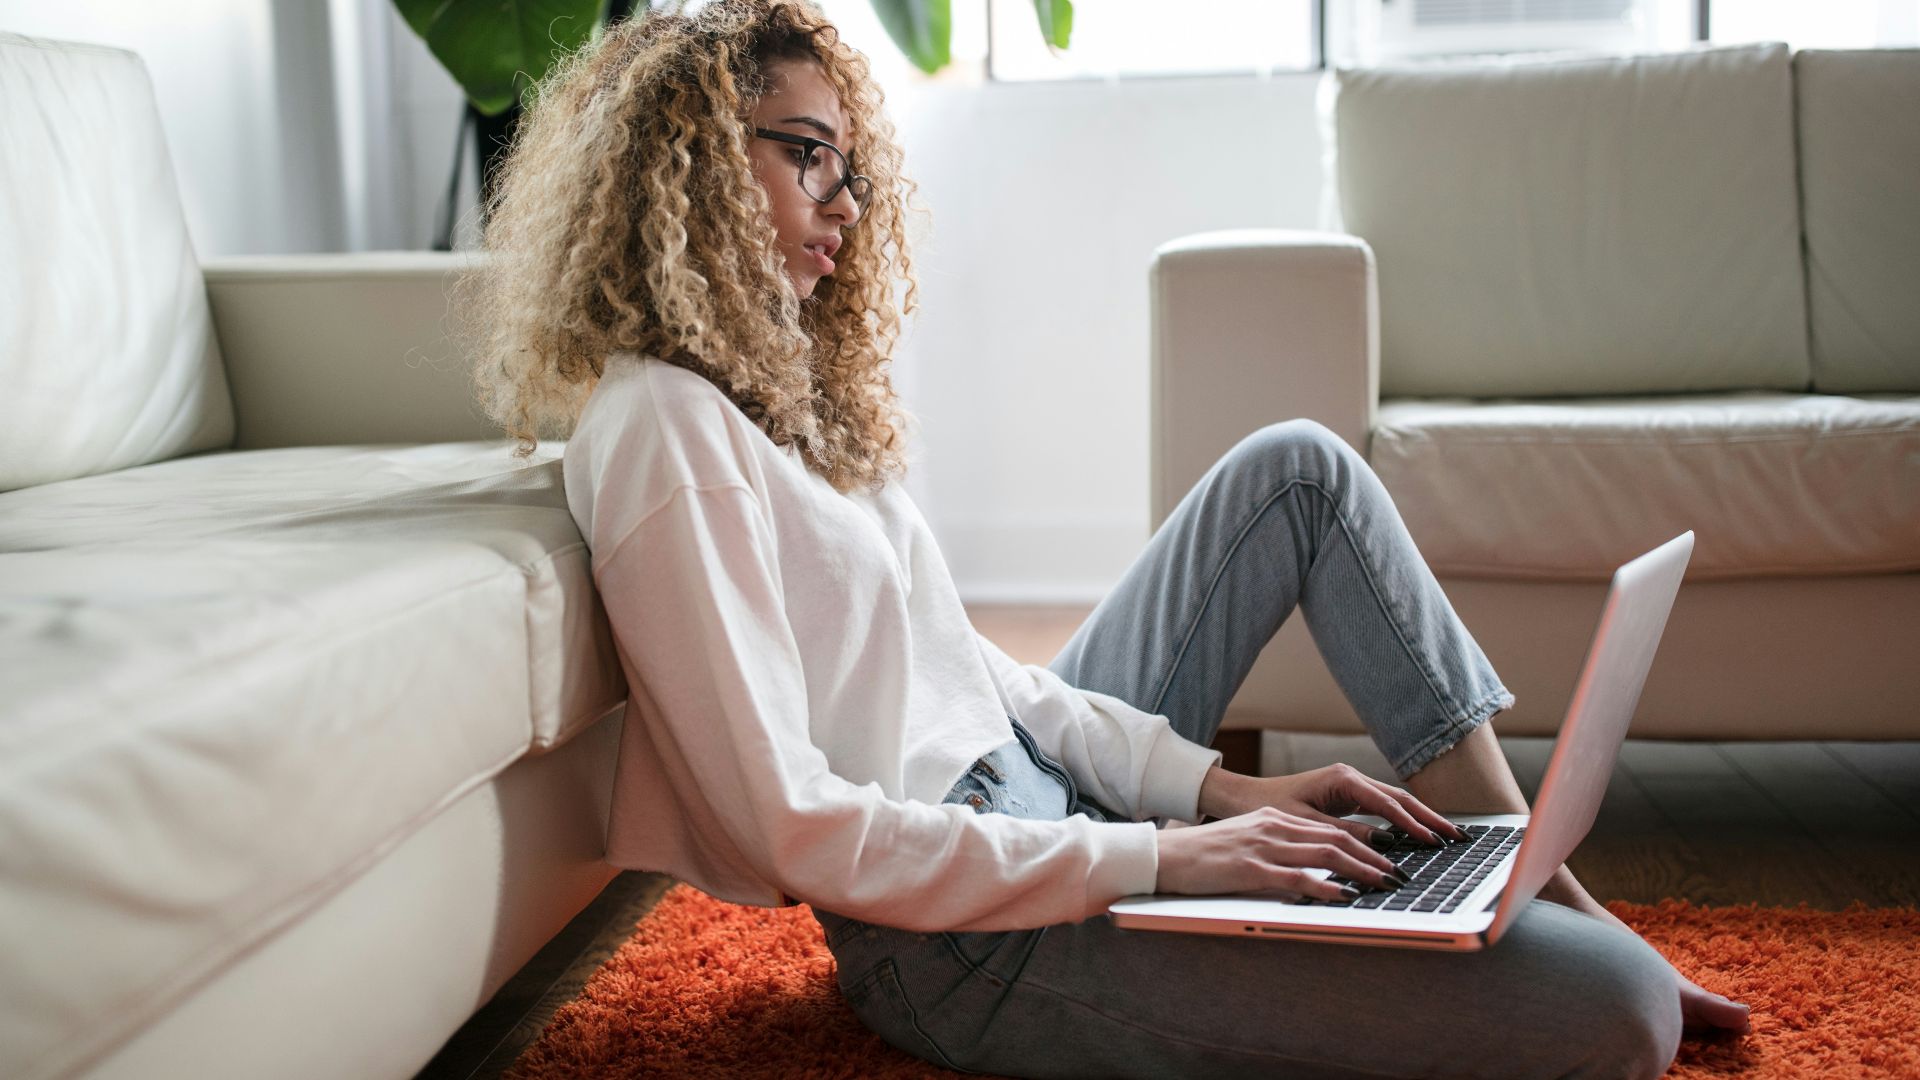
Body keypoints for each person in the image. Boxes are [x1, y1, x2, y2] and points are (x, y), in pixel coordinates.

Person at [465, 2, 1751, 1075]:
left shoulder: (774, 402)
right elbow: (794, 826)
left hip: (1040, 807)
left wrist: (1217, 794)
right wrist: (1164, 857)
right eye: (804, 152)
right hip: (962, 938)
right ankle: (1550, 929)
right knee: (1616, 1014)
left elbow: (981, 679)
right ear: (683, 159)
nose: (842, 202)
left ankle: (1537, 878)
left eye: (846, 166)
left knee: (1298, 470)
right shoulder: (661, 429)